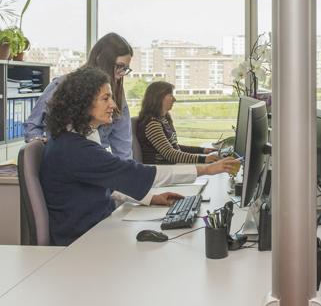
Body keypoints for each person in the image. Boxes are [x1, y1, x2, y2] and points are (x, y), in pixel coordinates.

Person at [39, 67, 241, 246]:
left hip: (97, 228)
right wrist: (206, 169)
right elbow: (131, 173)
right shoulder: (76, 150)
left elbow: (110, 183)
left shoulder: (72, 138)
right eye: (105, 98)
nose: (114, 105)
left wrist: (151, 198)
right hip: (83, 242)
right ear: (82, 102)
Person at [24, 32, 135, 160]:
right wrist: (40, 145)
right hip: (62, 161)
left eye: (125, 69)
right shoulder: (63, 86)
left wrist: (127, 173)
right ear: (101, 59)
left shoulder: (117, 97)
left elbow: (123, 149)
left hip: (94, 162)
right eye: (120, 66)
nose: (122, 73)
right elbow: (33, 125)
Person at [137, 81, 217, 164]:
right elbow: (170, 154)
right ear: (159, 98)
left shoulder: (164, 119)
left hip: (170, 168)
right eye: (171, 95)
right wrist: (204, 159)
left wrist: (202, 150)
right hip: (161, 171)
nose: (174, 99)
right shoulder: (152, 124)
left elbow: (174, 148)